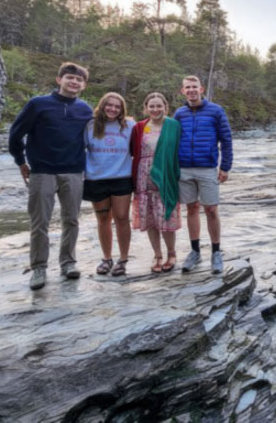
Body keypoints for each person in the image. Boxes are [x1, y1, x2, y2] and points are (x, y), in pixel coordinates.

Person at [8, 62, 93, 290]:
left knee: (72, 220)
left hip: (73, 172)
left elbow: (96, 137)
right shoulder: (38, 104)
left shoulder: (85, 109)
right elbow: (16, 133)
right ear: (59, 80)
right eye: (69, 78)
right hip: (42, 171)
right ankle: (38, 268)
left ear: (83, 85)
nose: (74, 82)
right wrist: (20, 161)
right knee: (40, 223)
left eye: (78, 80)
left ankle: (68, 263)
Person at [174, 75, 233, 275]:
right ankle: (195, 251)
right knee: (191, 209)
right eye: (187, 87)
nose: (191, 90)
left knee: (211, 210)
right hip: (184, 169)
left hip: (207, 168)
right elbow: (171, 140)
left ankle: (216, 252)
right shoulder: (179, 113)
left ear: (201, 89)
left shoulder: (216, 111)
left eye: (194, 87)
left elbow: (226, 140)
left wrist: (225, 167)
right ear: (182, 91)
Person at [130, 92, 182, 273]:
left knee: (166, 216)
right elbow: (132, 151)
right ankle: (157, 255)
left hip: (166, 177)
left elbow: (178, 151)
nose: (155, 109)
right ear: (146, 108)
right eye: (151, 106)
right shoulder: (139, 127)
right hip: (144, 178)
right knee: (151, 218)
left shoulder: (173, 126)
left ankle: (172, 253)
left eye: (159, 106)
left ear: (165, 108)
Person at [83, 92, 134, 276]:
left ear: (122, 109)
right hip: (96, 178)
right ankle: (106, 258)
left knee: (122, 217)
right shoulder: (90, 125)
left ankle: (123, 259)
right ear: (102, 105)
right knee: (103, 219)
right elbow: (80, 149)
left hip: (122, 177)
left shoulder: (129, 125)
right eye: (109, 105)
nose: (113, 109)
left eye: (117, 106)